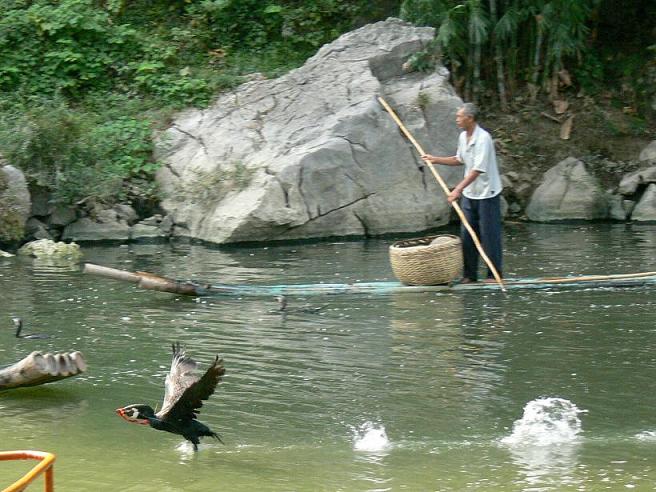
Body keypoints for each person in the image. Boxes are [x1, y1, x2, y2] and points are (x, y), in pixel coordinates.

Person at [421, 103, 503, 284]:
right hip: (470, 194)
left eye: (459, 117)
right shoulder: (462, 136)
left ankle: (493, 275)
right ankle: (470, 275)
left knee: (489, 236)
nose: (457, 120)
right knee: (467, 235)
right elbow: (459, 159)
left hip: (487, 194)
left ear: (470, 118)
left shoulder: (484, 139)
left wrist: (457, 189)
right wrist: (435, 160)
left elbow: (477, 169)